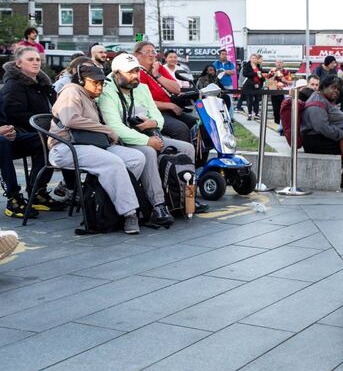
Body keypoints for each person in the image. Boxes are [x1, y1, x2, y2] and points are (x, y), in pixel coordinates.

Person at [97, 54, 209, 225]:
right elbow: (115, 128)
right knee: (149, 152)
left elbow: (158, 117)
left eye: (137, 71)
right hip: (123, 142)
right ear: (117, 73)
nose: (135, 75)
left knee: (187, 148)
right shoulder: (107, 91)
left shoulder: (141, 88)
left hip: (149, 134)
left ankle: (188, 197)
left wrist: (153, 122)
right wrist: (148, 141)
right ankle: (158, 205)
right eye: (130, 72)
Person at [49, 63, 147, 234]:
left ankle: (107, 203)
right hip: (66, 148)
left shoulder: (89, 97)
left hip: (90, 146)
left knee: (137, 158)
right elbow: (70, 119)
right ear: (81, 80)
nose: (99, 87)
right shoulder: (71, 91)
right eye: (95, 82)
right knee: (113, 162)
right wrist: (106, 130)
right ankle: (129, 213)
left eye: (102, 83)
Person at [1, 46, 65, 211]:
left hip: (22, 133)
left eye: (37, 59)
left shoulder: (43, 85)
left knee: (53, 138)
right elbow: (14, 113)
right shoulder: (13, 85)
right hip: (18, 134)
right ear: (19, 63)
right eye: (30, 59)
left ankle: (39, 192)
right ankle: (13, 197)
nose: (36, 62)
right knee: (3, 142)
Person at [300, 75, 343, 189]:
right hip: (316, 140)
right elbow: (322, 127)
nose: (336, 91)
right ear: (323, 87)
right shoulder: (316, 103)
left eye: (338, 89)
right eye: (333, 87)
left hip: (322, 137)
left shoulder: (324, 100)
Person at [134, 41, 195, 143]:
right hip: (153, 112)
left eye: (153, 51)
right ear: (137, 55)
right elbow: (143, 102)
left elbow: (176, 89)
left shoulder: (158, 68)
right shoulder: (137, 72)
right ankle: (181, 156)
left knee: (198, 123)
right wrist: (170, 105)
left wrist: (157, 75)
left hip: (169, 110)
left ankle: (199, 158)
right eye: (147, 52)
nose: (151, 54)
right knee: (181, 129)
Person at [213, 49, 236, 119]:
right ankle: (219, 117)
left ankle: (230, 117)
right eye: (222, 54)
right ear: (219, 55)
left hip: (228, 85)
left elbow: (233, 72)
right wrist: (226, 72)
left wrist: (223, 71)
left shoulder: (230, 63)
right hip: (218, 85)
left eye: (226, 54)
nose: (224, 55)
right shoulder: (215, 63)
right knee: (218, 101)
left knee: (230, 101)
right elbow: (214, 72)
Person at [266, 59, 292, 124]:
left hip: (283, 92)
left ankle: (283, 122)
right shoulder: (272, 71)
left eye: (280, 62)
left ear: (282, 64)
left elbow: (290, 82)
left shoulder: (286, 71)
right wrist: (274, 75)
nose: (279, 64)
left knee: (283, 108)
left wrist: (284, 80)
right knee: (275, 108)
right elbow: (268, 82)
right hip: (274, 91)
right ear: (275, 63)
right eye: (277, 62)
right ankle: (276, 122)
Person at [241, 54, 264, 121]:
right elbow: (245, 74)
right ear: (250, 59)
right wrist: (256, 73)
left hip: (258, 85)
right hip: (249, 85)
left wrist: (261, 78)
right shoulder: (247, 65)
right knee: (250, 100)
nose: (254, 59)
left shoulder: (258, 66)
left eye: (255, 58)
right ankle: (250, 113)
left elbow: (261, 75)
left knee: (257, 99)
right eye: (253, 58)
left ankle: (256, 113)